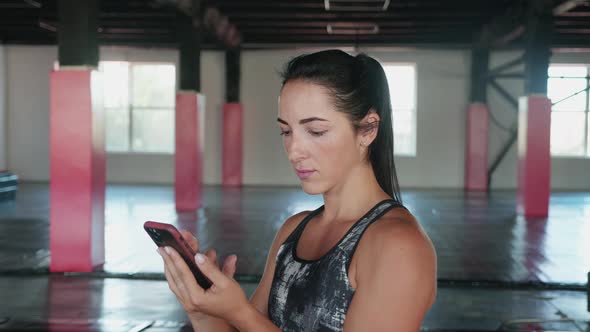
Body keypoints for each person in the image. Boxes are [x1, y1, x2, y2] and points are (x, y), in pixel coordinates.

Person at [157, 49, 437, 332]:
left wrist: (240, 312)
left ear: (368, 129)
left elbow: (249, 322)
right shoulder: (293, 231)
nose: (294, 151)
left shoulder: (399, 246)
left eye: (315, 131)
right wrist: (202, 307)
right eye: (286, 132)